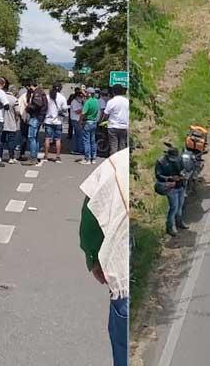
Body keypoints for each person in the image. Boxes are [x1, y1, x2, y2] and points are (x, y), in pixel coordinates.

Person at [78, 149, 129, 366]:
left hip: (121, 276)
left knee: (123, 348)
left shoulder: (116, 164)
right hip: (126, 277)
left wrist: (94, 259)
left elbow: (90, 218)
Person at [42, 83, 68, 161]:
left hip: (48, 120)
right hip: (58, 121)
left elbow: (44, 108)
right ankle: (57, 156)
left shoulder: (47, 97)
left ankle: (46, 155)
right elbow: (65, 109)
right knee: (58, 139)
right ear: (60, 89)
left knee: (47, 138)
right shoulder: (62, 98)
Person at [25, 81, 49, 163]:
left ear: (31, 86)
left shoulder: (37, 93)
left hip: (35, 117)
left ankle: (33, 157)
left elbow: (37, 105)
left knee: (31, 137)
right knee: (35, 137)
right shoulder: (41, 92)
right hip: (39, 117)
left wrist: (28, 107)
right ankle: (35, 156)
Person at [103, 85, 129, 154]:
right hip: (124, 126)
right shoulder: (127, 101)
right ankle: (121, 162)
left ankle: (114, 161)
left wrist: (103, 120)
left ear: (113, 92)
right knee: (122, 146)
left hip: (113, 126)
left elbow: (106, 114)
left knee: (113, 146)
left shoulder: (111, 102)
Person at [80, 88, 101, 164]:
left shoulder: (87, 102)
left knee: (86, 141)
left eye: (86, 92)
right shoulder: (96, 101)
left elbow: (83, 113)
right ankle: (93, 158)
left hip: (87, 122)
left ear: (88, 93)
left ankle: (87, 158)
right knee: (93, 141)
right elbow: (99, 111)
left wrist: (80, 121)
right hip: (94, 122)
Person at [1, 84, 21, 164]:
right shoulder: (14, 99)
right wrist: (17, 118)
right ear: (15, 92)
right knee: (11, 141)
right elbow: (17, 111)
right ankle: (11, 157)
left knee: (1, 141)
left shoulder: (1, 98)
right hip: (11, 123)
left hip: (2, 122)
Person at [16, 83, 33, 162]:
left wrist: (19, 116)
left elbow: (18, 108)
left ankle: (22, 153)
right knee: (33, 138)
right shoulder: (34, 97)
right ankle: (33, 155)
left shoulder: (22, 97)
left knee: (24, 137)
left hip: (23, 119)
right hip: (32, 119)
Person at [69, 87, 85, 156]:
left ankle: (76, 149)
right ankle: (79, 149)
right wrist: (84, 108)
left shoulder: (80, 102)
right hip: (75, 120)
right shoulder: (74, 102)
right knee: (79, 135)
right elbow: (77, 111)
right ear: (77, 96)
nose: (82, 98)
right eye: (80, 96)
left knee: (77, 135)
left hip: (77, 120)